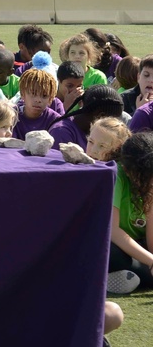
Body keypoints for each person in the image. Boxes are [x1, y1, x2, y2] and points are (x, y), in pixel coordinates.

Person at [105, 131, 153, 295]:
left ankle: (130, 277)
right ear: (126, 169)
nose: (148, 183)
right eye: (143, 177)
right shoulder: (116, 175)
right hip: (118, 246)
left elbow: (151, 236)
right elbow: (113, 231)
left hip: (140, 246)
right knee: (111, 253)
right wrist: (151, 261)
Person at [48, 85, 124, 150]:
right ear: (101, 116)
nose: (114, 127)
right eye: (113, 122)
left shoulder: (94, 133)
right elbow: (62, 167)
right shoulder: (61, 132)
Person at [12, 68, 61, 140]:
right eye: (33, 94)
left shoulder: (54, 120)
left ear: (50, 98)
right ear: (23, 94)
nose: (38, 100)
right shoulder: (12, 116)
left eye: (44, 96)